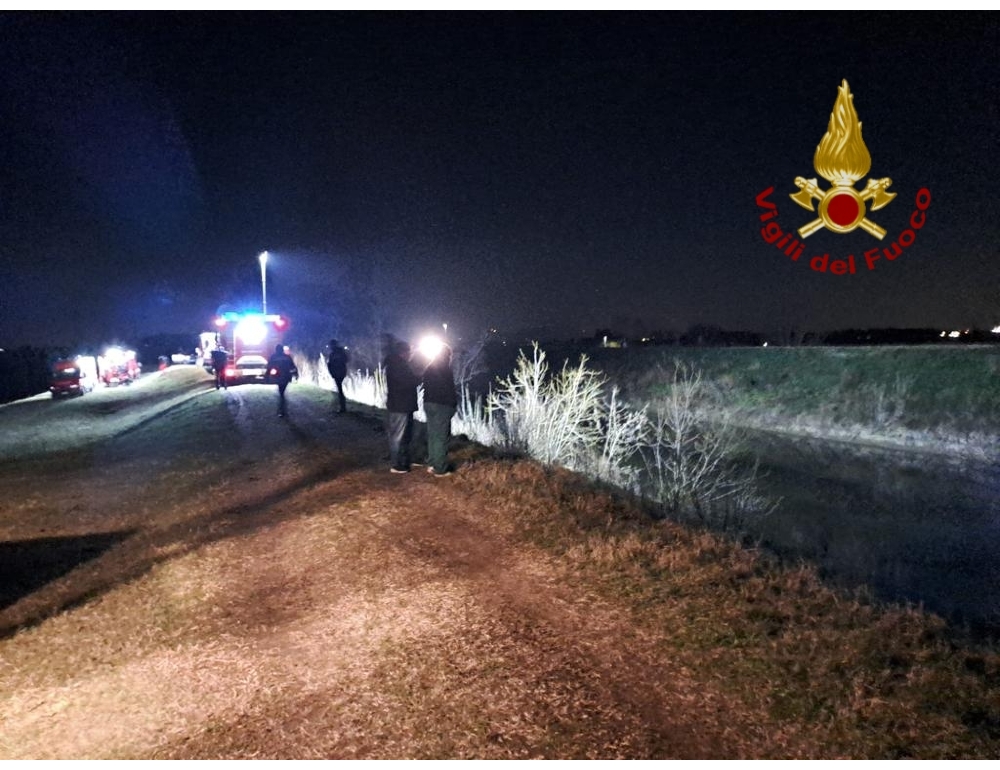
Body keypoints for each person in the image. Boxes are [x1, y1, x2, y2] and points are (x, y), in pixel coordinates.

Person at [383, 337, 420, 473]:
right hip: (400, 405)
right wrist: (418, 378)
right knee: (398, 436)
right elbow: (407, 382)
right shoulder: (397, 366)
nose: (410, 354)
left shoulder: (397, 364)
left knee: (404, 435)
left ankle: (404, 460)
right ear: (403, 353)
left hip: (402, 404)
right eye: (408, 352)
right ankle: (397, 464)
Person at [421, 343, 457, 477]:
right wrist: (453, 405)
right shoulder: (445, 369)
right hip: (442, 405)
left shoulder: (429, 367)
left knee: (433, 435)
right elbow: (449, 389)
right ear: (448, 355)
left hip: (428, 403)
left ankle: (432, 462)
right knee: (441, 436)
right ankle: (440, 468)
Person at [266, 343, 298, 417]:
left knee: (281, 392)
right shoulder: (287, 357)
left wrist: (266, 377)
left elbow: (269, 367)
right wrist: (296, 374)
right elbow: (293, 367)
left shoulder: (273, 357)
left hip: (278, 377)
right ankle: (282, 409)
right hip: (286, 377)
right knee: (282, 391)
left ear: (276, 350)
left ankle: (281, 409)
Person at [326, 338, 349, 413]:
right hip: (339, 372)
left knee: (340, 389)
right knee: (339, 389)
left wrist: (333, 372)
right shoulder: (338, 352)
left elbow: (330, 364)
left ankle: (342, 407)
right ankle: (341, 406)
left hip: (338, 373)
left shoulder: (334, 353)